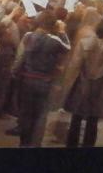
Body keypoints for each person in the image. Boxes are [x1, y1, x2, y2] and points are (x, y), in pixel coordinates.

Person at [12, 10, 71, 147]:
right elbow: (68, 47)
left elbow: (20, 57)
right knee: (40, 116)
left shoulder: (28, 36)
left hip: (26, 80)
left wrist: (14, 72)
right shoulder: (55, 40)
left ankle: (23, 143)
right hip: (45, 82)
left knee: (26, 114)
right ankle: (35, 144)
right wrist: (62, 31)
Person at [64, 17, 103, 148]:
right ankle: (88, 145)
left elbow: (75, 64)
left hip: (83, 82)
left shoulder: (84, 43)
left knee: (76, 117)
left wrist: (68, 83)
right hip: (102, 85)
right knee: (93, 119)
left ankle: (71, 144)